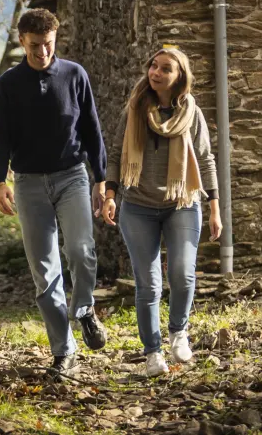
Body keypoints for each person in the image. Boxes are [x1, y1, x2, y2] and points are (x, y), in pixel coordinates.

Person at [0, 8, 108, 377]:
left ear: (56, 40)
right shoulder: (9, 84)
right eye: (36, 45)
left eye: (49, 45)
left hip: (72, 176)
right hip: (28, 183)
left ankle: (85, 308)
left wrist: (101, 178)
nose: (43, 52)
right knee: (44, 271)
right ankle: (63, 351)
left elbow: (91, 128)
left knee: (80, 250)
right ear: (22, 41)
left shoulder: (75, 75)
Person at [102, 46, 222, 377]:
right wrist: (110, 194)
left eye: (164, 69)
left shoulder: (191, 112)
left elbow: (206, 158)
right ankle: (152, 352)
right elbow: (115, 153)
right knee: (148, 284)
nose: (155, 72)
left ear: (178, 76)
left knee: (183, 274)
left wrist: (215, 208)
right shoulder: (135, 109)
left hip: (182, 203)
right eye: (153, 66)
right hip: (138, 206)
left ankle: (178, 332)